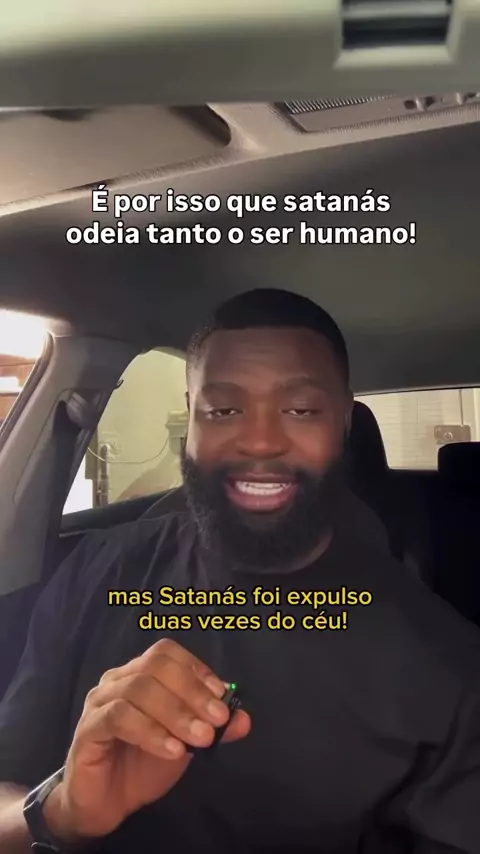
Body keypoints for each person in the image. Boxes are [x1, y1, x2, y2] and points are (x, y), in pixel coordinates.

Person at [0, 288, 479, 854]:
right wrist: (63, 812)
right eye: (224, 410)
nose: (259, 442)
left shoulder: (446, 664)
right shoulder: (97, 570)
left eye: (301, 410)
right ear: (191, 414)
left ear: (344, 422)